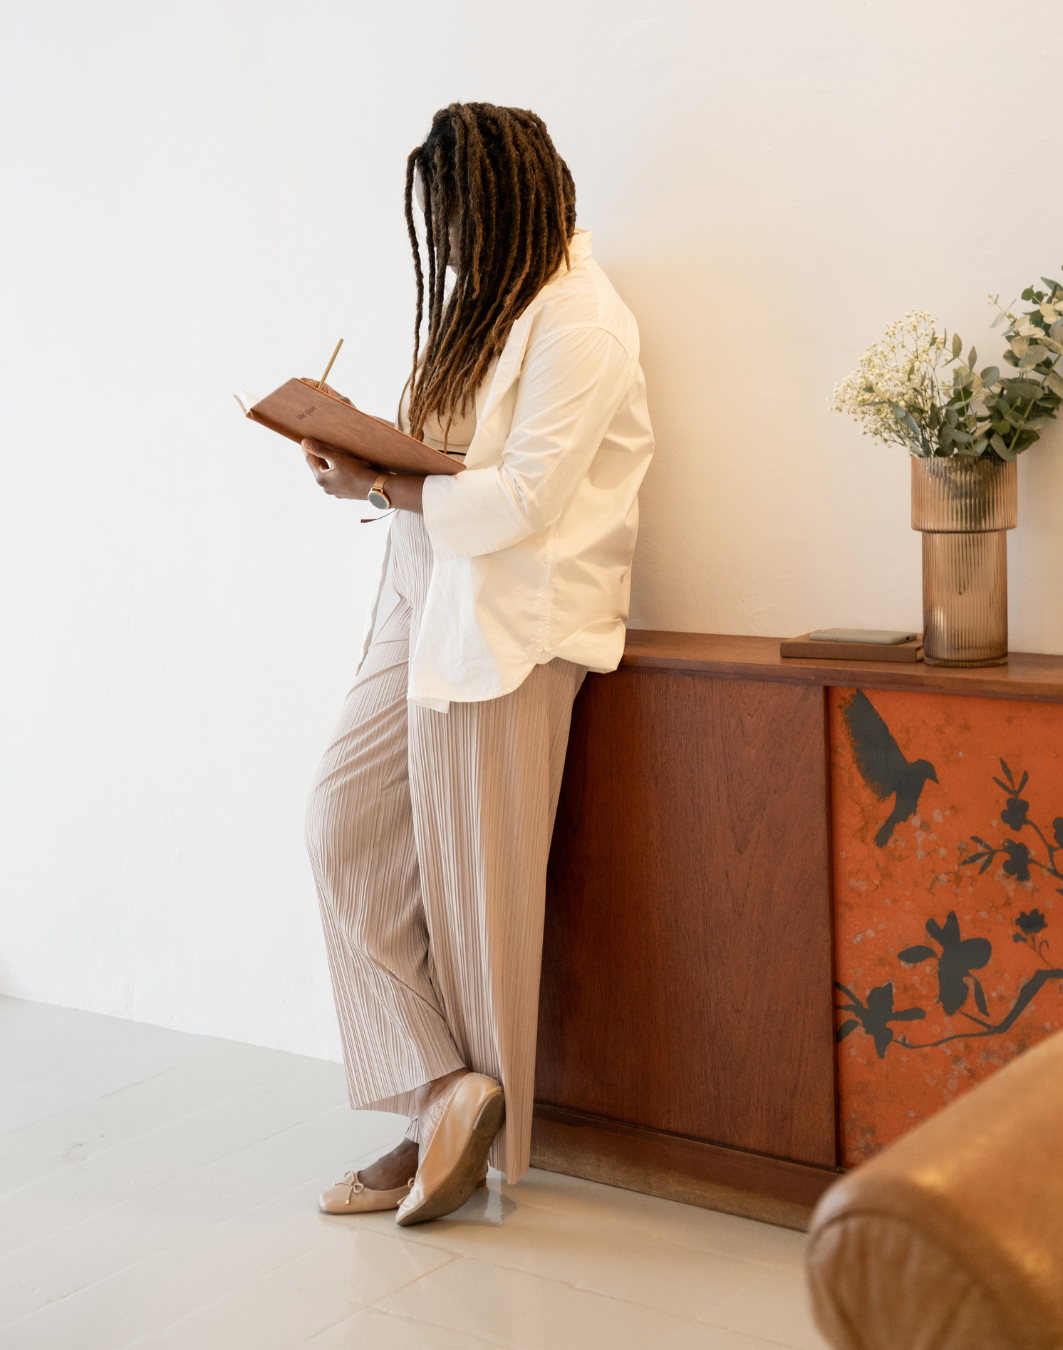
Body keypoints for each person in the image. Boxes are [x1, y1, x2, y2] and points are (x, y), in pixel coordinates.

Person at [302, 102, 653, 1226]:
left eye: (455, 216)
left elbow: (527, 498)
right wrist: (361, 460)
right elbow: (445, 465)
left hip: (512, 619)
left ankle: (441, 1141)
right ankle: (443, 1091)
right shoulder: (483, 311)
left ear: (508, 203)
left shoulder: (583, 319)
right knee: (340, 825)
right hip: (420, 593)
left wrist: (382, 481)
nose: (445, 242)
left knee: (472, 898)